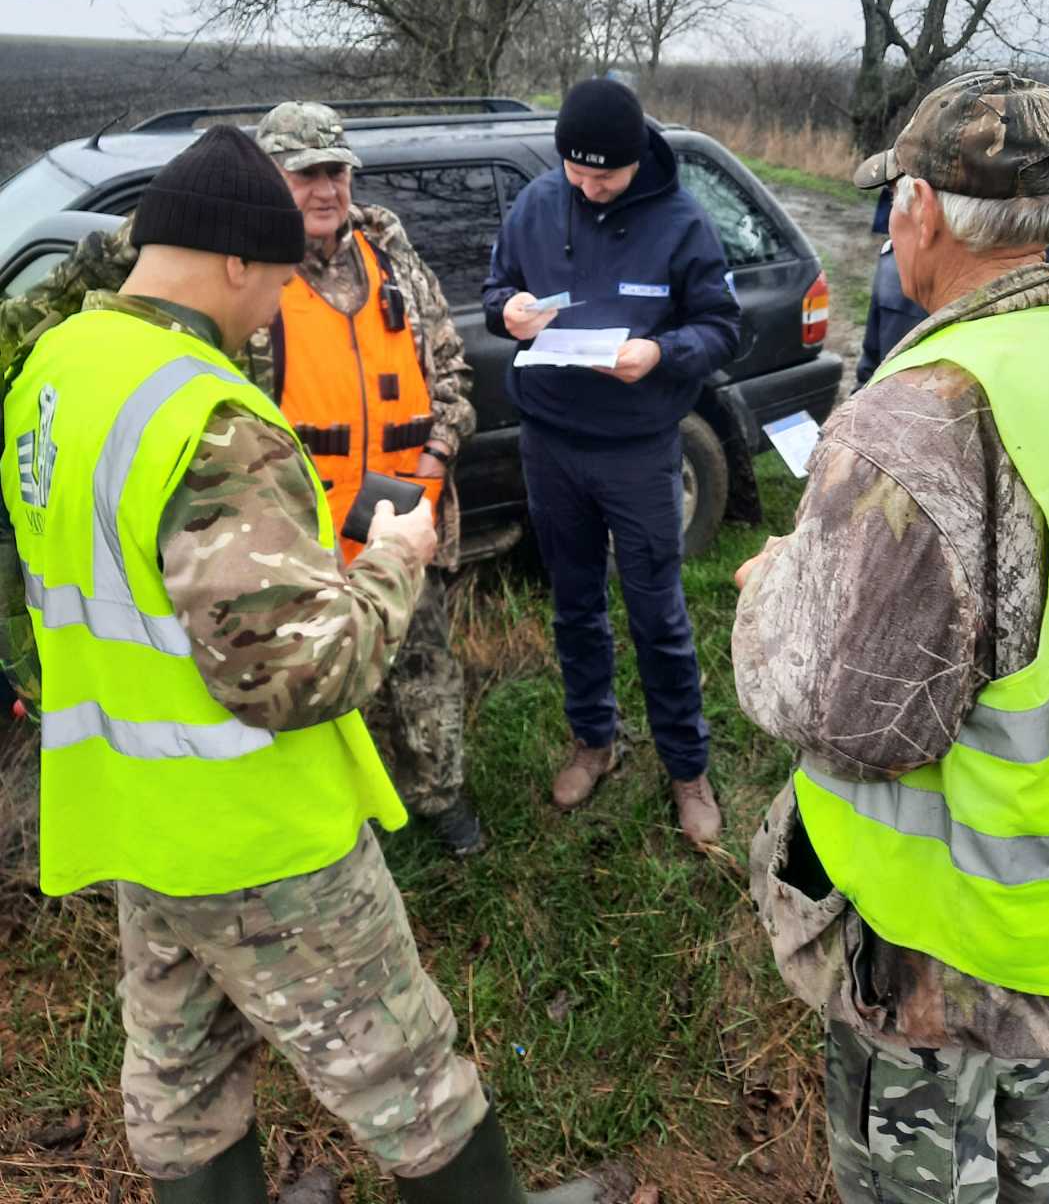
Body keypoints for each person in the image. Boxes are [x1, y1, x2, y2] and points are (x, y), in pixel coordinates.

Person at [0, 125, 624, 1204]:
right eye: (274, 280)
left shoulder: (55, 368)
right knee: (407, 1073)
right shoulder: (206, 416)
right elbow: (296, 675)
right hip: (257, 829)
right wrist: (394, 562)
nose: (274, 307)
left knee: (183, 1083)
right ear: (235, 259)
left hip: (131, 818)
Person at [730, 69, 1049, 1203]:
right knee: (1026, 1131)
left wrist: (768, 588)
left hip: (939, 919)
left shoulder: (922, 415)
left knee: (923, 1168)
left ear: (922, 213)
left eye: (892, 203)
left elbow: (841, 709)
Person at [0, 100, 482, 857]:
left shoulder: (393, 257)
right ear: (263, 190)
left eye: (337, 171)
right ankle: (351, 824)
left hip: (400, 519)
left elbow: (450, 372)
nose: (326, 188)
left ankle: (440, 800)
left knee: (422, 672)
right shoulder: (222, 280)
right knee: (321, 688)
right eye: (305, 174)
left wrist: (430, 466)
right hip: (282, 536)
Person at [482, 78, 740, 845]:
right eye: (577, 172)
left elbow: (722, 327)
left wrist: (661, 352)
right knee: (575, 605)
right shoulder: (536, 204)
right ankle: (594, 741)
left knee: (658, 614)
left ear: (637, 161)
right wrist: (506, 311)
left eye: (606, 177)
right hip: (551, 442)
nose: (589, 187)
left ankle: (687, 768)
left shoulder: (682, 222)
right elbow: (497, 287)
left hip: (638, 448)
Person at [856, 184, 1049, 385]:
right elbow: (870, 376)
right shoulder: (899, 259)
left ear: (924, 207)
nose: (897, 213)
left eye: (898, 194)